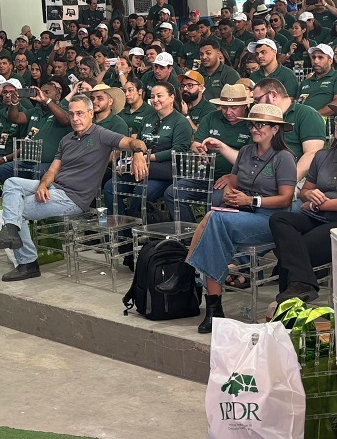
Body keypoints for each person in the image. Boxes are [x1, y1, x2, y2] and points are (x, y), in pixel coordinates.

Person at [157, 103, 297, 333]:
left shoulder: (283, 158)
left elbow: (286, 199)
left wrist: (250, 201)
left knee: (214, 219)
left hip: (272, 219)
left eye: (260, 125)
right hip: (244, 214)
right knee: (213, 223)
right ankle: (213, 309)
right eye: (252, 124)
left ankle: (190, 277)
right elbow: (233, 180)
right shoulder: (245, 151)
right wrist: (232, 195)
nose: (254, 129)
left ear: (275, 129)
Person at [0, 94, 148, 281]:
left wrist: (138, 154)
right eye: (71, 114)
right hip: (55, 187)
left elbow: (135, 142)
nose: (75, 118)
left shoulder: (100, 134)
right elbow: (53, 170)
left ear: (90, 113)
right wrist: (43, 185)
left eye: (80, 113)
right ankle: (10, 231)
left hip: (74, 198)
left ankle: (27, 263)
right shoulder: (67, 139)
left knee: (15, 210)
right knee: (12, 182)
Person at [269, 98, 337, 303]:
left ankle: (286, 309)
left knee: (292, 253)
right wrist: (309, 196)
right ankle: (304, 286)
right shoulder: (323, 155)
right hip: (316, 215)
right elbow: (305, 191)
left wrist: (318, 203)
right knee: (279, 219)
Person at [165, 83, 252, 223]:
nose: (228, 112)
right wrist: (199, 150)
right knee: (172, 193)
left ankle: (206, 236)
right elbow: (195, 143)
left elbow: (252, 161)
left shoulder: (251, 124)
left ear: (245, 106)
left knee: (215, 201)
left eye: (234, 108)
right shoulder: (212, 117)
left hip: (238, 178)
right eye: (224, 107)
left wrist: (234, 176)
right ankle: (191, 236)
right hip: (207, 173)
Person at [104, 83, 192, 216]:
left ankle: (134, 227)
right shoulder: (147, 119)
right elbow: (138, 142)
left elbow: (178, 151)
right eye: (152, 96)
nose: (155, 100)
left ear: (172, 97)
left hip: (163, 173)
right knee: (110, 187)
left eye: (159, 96)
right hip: (139, 168)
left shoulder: (180, 122)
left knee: (140, 192)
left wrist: (147, 157)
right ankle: (120, 229)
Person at [297, 44, 337, 114]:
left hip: (326, 121)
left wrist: (313, 117)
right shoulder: (305, 82)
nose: (315, 61)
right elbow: (297, 104)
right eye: (313, 57)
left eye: (320, 57)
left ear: (330, 61)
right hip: (301, 120)